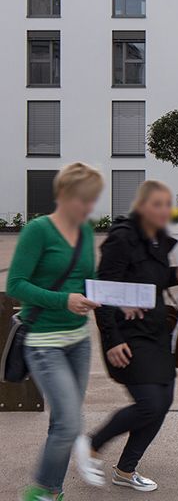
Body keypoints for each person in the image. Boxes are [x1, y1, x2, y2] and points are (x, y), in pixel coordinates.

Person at [81, 181, 178, 493]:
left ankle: (126, 469)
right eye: (156, 204)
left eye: (167, 205)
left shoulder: (157, 239)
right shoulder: (121, 239)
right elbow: (102, 292)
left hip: (157, 335)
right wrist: (112, 340)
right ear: (141, 206)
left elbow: (152, 280)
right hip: (128, 336)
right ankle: (91, 444)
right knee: (150, 403)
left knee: (163, 401)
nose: (164, 211)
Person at [6, 162, 103, 501]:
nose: (89, 207)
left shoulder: (86, 230)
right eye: (83, 199)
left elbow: (87, 278)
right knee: (69, 423)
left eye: (93, 199)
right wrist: (64, 300)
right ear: (63, 194)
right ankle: (40, 492)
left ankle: (53, 491)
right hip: (44, 341)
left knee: (64, 420)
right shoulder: (38, 231)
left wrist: (110, 296)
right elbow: (16, 284)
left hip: (78, 340)